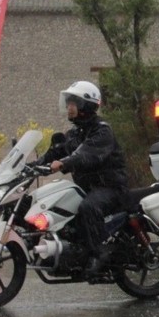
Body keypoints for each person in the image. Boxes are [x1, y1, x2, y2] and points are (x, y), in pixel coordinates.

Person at [46, 81, 129, 276]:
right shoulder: (75, 133)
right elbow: (56, 152)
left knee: (88, 207)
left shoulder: (102, 131)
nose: (69, 108)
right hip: (89, 189)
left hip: (110, 188)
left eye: (73, 103)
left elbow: (86, 154)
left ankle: (99, 254)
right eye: (68, 104)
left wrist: (64, 163)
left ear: (87, 105)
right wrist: (30, 166)